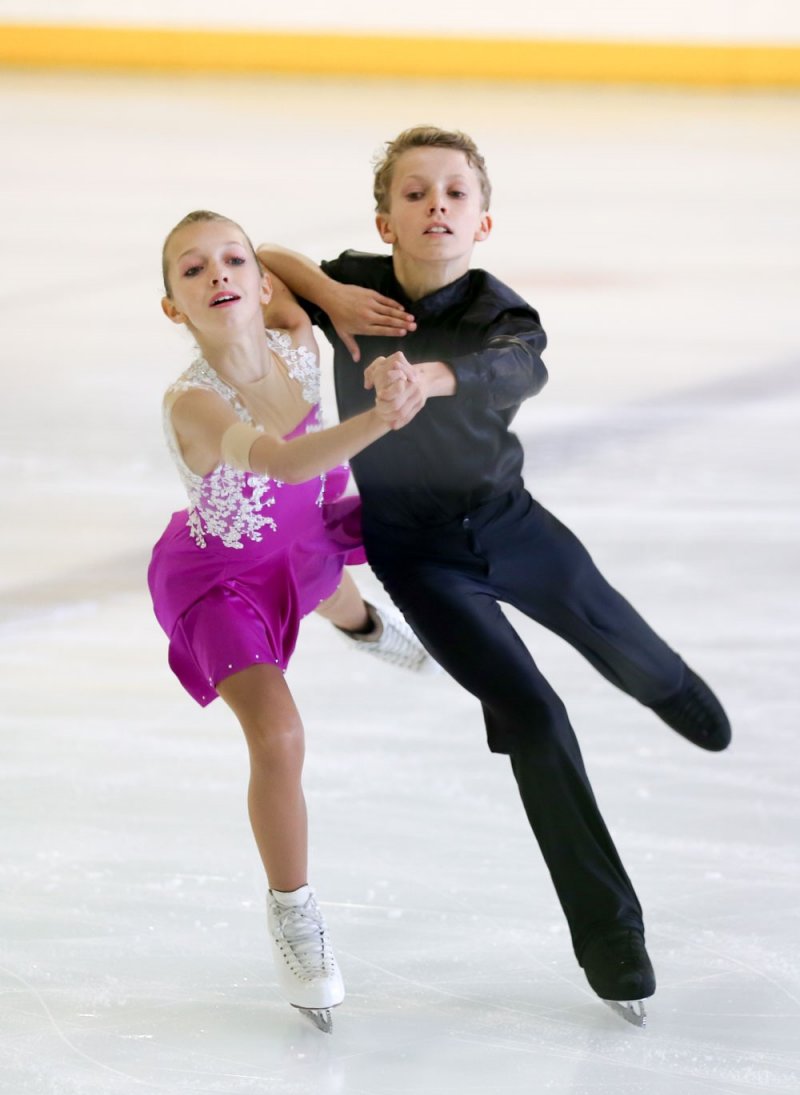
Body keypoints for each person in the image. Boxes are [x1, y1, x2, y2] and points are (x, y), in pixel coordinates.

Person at [257, 126, 732, 1026]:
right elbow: (258, 253)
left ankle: (668, 685)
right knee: (535, 715)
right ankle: (612, 937)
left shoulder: (503, 313)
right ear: (385, 220)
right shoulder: (355, 286)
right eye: (414, 193)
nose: (436, 203)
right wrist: (326, 296)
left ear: (482, 221)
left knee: (618, 642)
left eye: (455, 193)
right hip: (418, 556)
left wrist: (429, 378)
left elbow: (521, 366)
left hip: (514, 527)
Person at [148, 210, 431, 1032]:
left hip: (304, 525)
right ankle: (293, 911)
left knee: (329, 584)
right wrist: (381, 417)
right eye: (191, 272)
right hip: (224, 572)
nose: (218, 275)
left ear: (263, 287)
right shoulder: (193, 404)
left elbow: (270, 254)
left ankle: (367, 628)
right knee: (278, 737)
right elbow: (278, 461)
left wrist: (333, 293)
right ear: (174, 308)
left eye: (229, 262)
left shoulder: (296, 332)